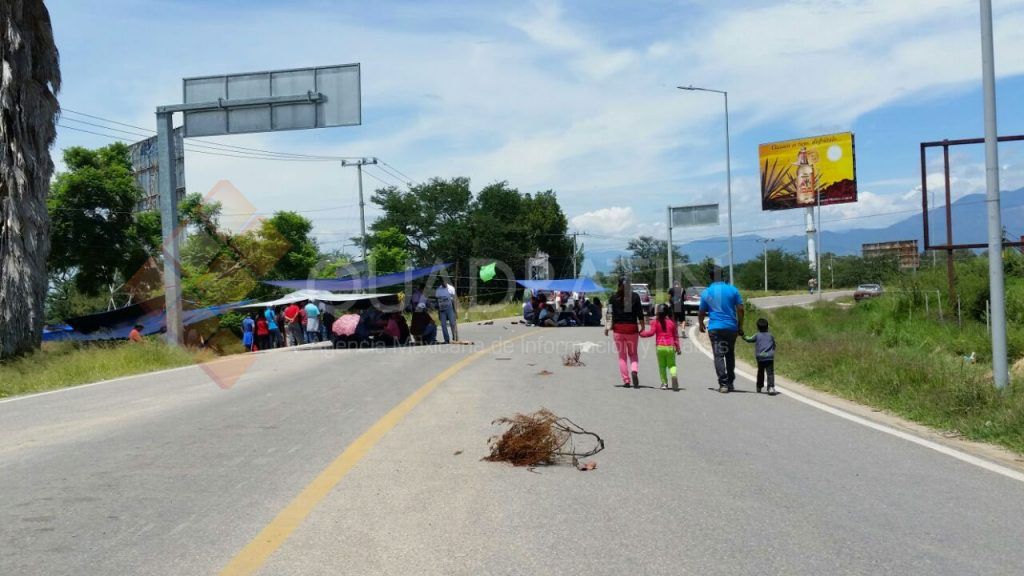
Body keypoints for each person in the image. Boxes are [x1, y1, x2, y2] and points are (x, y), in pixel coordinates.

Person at [698, 266, 745, 393]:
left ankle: (723, 384)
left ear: (711, 277)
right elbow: (740, 309)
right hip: (731, 327)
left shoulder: (707, 292)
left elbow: (701, 311)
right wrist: (740, 326)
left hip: (715, 328)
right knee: (730, 354)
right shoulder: (732, 290)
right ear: (723, 275)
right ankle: (730, 382)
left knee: (718, 355)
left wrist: (701, 323)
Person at [605, 278, 645, 388]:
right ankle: (634, 371)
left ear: (618, 285)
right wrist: (642, 325)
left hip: (618, 330)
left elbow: (609, 313)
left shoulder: (613, 297)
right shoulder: (635, 296)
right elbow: (640, 313)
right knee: (633, 354)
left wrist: (607, 328)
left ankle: (626, 381)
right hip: (632, 329)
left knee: (622, 357)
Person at [640, 304, 681, 390]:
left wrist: (642, 333)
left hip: (660, 347)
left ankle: (664, 383)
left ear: (658, 312)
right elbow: (675, 336)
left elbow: (651, 333)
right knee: (672, 365)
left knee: (662, 366)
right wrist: (678, 348)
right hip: (670, 347)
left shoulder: (655, 322)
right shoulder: (671, 323)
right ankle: (673, 375)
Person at [743, 317, 777, 395]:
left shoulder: (757, 335)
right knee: (770, 373)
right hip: (769, 357)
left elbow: (749, 339)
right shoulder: (770, 335)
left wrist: (743, 336)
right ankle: (771, 387)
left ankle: (759, 386)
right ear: (767, 327)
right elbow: (774, 345)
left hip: (760, 357)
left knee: (760, 372)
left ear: (757, 327)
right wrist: (772, 352)